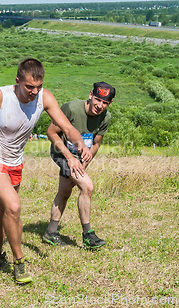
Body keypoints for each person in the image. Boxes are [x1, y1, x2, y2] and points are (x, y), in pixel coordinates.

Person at [0, 58, 90, 284]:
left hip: (14, 162)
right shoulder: (0, 97)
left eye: (38, 86)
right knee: (14, 205)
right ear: (17, 81)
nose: (34, 92)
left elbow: (66, 127)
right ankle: (19, 263)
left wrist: (80, 143)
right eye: (29, 87)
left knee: (3, 210)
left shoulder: (45, 97)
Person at [43, 82, 115, 249]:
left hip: (79, 156)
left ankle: (50, 232)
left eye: (105, 103)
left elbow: (96, 143)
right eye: (97, 100)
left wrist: (89, 156)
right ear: (91, 95)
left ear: (109, 103)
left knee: (65, 191)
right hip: (61, 152)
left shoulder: (106, 117)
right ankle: (88, 235)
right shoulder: (71, 108)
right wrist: (69, 157)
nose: (100, 106)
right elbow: (51, 132)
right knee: (87, 186)